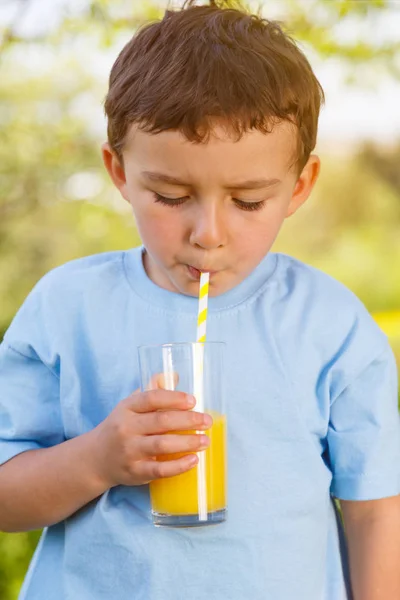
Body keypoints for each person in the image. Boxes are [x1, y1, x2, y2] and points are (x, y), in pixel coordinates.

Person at [0, 1, 399, 598]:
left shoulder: (330, 325)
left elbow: (374, 511)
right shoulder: (66, 308)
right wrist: (97, 460)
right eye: (170, 194)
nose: (208, 233)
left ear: (300, 186)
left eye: (248, 201)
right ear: (119, 172)